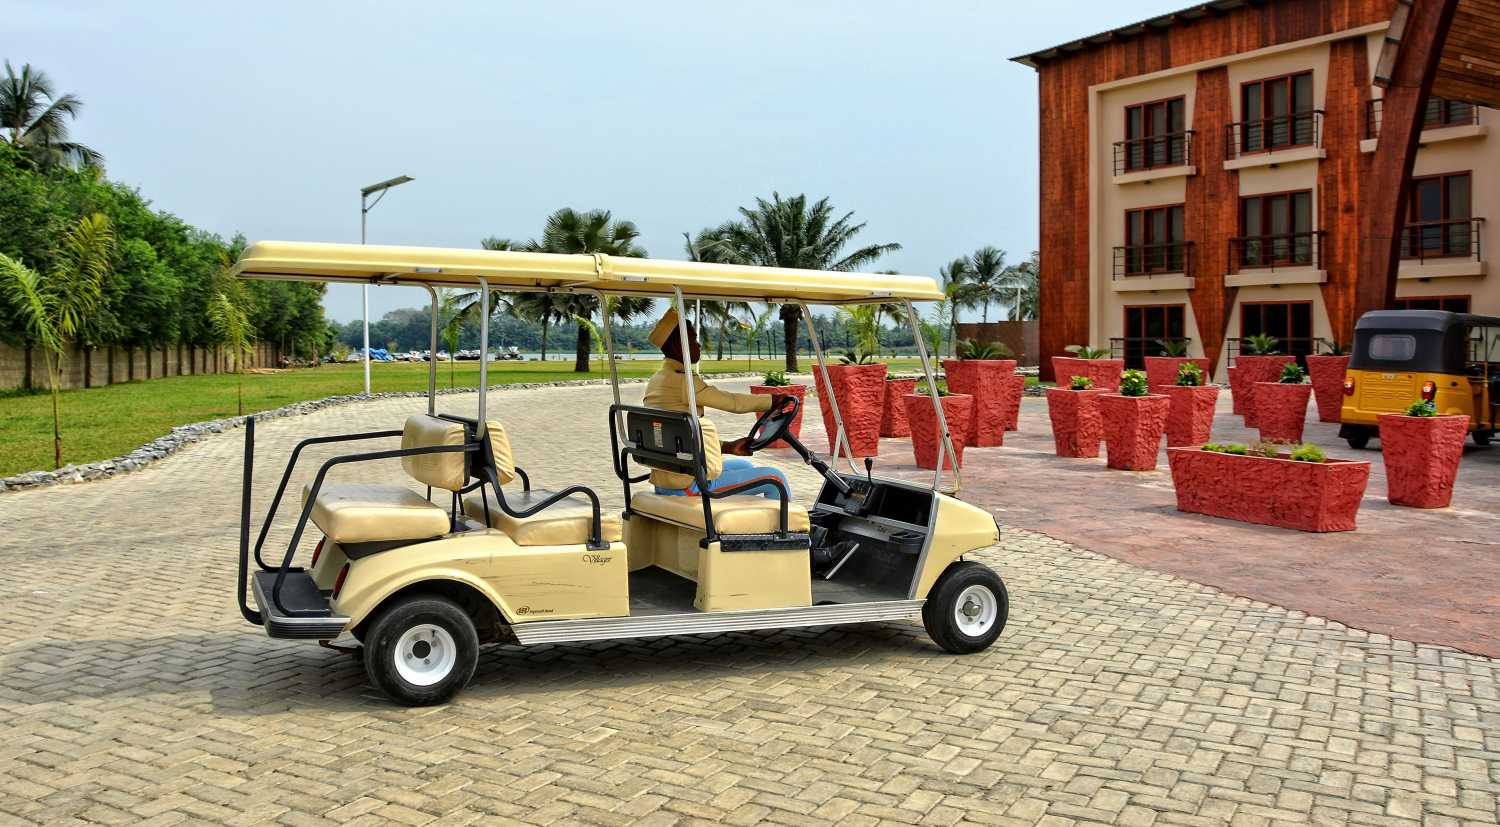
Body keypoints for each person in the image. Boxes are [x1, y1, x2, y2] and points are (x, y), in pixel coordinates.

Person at [643, 309, 792, 500]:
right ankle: (789, 528)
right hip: (690, 484)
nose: (698, 345)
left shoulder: (658, 379)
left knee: (745, 467)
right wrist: (772, 400)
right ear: (678, 345)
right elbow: (733, 402)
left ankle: (746, 525)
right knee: (775, 478)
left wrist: (728, 447)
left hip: (668, 478)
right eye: (693, 340)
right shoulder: (683, 381)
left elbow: (681, 438)